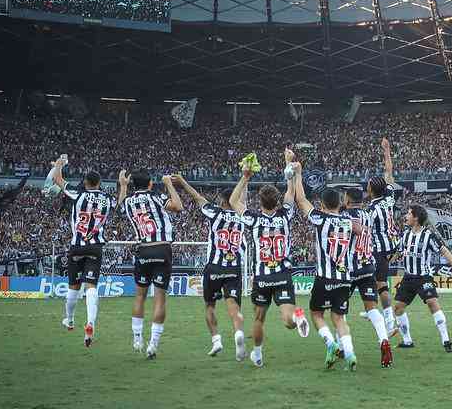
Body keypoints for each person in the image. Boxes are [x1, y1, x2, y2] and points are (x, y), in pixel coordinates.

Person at [233, 150, 310, 368]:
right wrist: (290, 167)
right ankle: (298, 317)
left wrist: (245, 177)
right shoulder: (285, 215)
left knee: (259, 319)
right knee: (287, 319)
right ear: (277, 202)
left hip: (262, 277)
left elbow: (233, 200)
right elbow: (292, 193)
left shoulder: (254, 220)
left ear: (260, 202)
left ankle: (257, 354)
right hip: (283, 274)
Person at [293, 163, 362, 370]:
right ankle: (349, 354)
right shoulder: (349, 222)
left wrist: (297, 174)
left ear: (322, 205)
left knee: (316, 314)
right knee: (339, 318)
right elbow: (359, 230)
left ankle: (331, 344)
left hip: (325, 277)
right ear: (340, 204)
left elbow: (301, 200)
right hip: (344, 278)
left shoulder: (320, 218)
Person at [173, 175, 247, 360]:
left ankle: (216, 340)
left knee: (210, 306)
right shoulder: (243, 216)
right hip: (234, 268)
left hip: (214, 267)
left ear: (222, 201)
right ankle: (238, 333)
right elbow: (242, 199)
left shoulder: (215, 212)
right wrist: (245, 178)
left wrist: (182, 181)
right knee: (233, 306)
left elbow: (197, 196)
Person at [51, 155, 116, 347]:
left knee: (73, 287)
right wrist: (122, 183)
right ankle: (90, 322)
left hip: (77, 246)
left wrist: (59, 164)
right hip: (96, 246)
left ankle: (70, 320)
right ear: (100, 183)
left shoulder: (77, 194)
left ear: (85, 182)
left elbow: (57, 179)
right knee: (91, 286)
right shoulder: (107, 199)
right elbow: (119, 201)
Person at [118, 169, 183, 359]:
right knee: (159, 298)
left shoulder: (129, 202)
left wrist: (123, 185)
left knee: (140, 296)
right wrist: (169, 184)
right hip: (162, 248)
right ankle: (153, 345)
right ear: (150, 184)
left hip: (143, 249)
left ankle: (137, 338)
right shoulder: (155, 197)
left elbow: (120, 205)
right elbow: (178, 206)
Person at [393, 205, 452, 353]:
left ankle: (446, 340)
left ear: (416, 218)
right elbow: (398, 252)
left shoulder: (428, 235)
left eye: (409, 213)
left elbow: (443, 250)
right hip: (408, 278)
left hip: (423, 277)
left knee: (432, 302)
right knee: (398, 308)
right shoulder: (405, 234)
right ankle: (407, 340)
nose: (406, 216)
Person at [343, 187, 393, 367]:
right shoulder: (368, 215)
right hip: (367, 266)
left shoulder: (346, 215)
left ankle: (343, 346)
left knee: (340, 310)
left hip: (349, 269)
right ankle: (383, 340)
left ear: (347, 199)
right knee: (372, 308)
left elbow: (352, 229)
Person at [368, 137, 401, 336]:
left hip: (380, 248)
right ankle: (372, 310)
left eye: (369, 186)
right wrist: (386, 150)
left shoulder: (371, 209)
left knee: (381, 284)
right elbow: (389, 171)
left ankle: (389, 321)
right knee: (373, 279)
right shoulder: (389, 197)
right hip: (392, 245)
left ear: (371, 190)